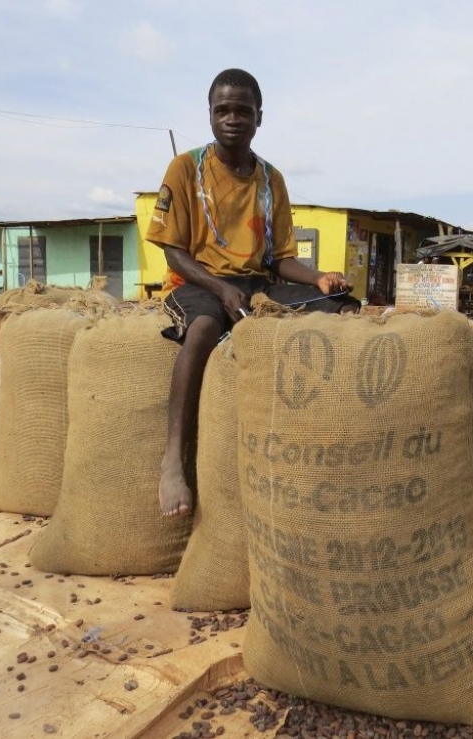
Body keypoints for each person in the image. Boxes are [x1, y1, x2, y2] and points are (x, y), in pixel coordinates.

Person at [147, 68, 356, 517]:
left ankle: (330, 434)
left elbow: (281, 258)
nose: (233, 118)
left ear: (259, 117)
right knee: (203, 328)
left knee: (338, 307)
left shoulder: (270, 179)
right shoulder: (186, 169)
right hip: (196, 280)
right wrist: (219, 287)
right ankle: (172, 461)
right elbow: (173, 252)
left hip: (255, 283)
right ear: (209, 116)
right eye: (223, 110)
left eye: (243, 110)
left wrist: (318, 278)